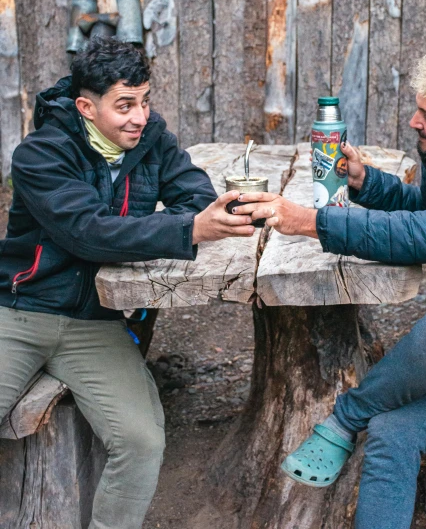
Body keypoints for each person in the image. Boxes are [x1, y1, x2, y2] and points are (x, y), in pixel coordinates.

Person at [238, 33, 426, 529]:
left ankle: (344, 418)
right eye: (419, 110)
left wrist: (311, 221)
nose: (415, 122)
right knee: (392, 432)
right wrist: (368, 183)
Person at [0, 37, 255, 529]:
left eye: (145, 100)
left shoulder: (150, 135)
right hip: (21, 310)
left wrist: (190, 219)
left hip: (96, 321)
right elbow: (89, 232)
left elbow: (193, 191)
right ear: (85, 107)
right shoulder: (39, 155)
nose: (139, 116)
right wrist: (186, 229)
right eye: (124, 106)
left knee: (141, 440)